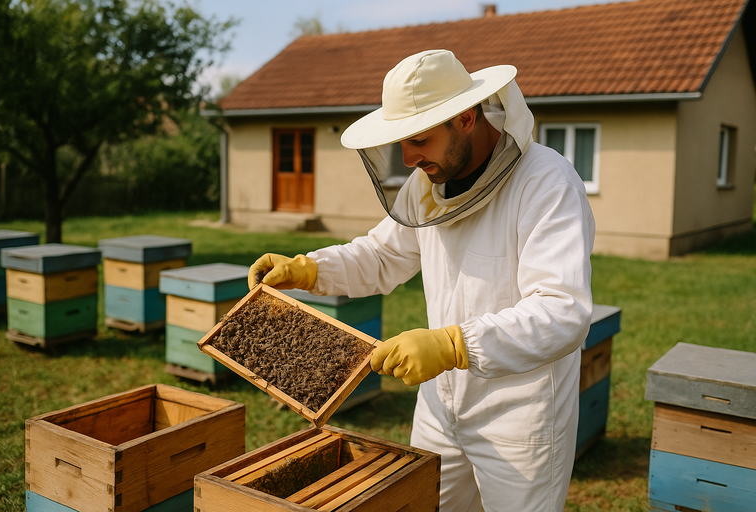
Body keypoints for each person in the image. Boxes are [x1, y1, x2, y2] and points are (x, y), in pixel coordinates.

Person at [248, 49, 595, 512]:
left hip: (520, 415)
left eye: (421, 140)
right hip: (440, 405)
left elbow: (561, 310)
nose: (409, 158)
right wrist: (310, 268)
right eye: (402, 143)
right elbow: (383, 253)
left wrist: (454, 345)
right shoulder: (425, 186)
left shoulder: (546, 183)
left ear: (467, 117)